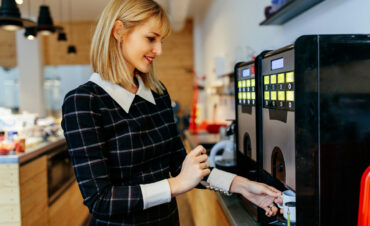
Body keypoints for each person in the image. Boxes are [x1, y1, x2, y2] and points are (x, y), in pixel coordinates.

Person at [61, 0, 281, 225]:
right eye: (151, 38)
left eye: (161, 41)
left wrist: (243, 186)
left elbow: (180, 166)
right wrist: (176, 185)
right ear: (119, 31)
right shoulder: (83, 102)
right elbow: (100, 200)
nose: (159, 50)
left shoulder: (157, 93)